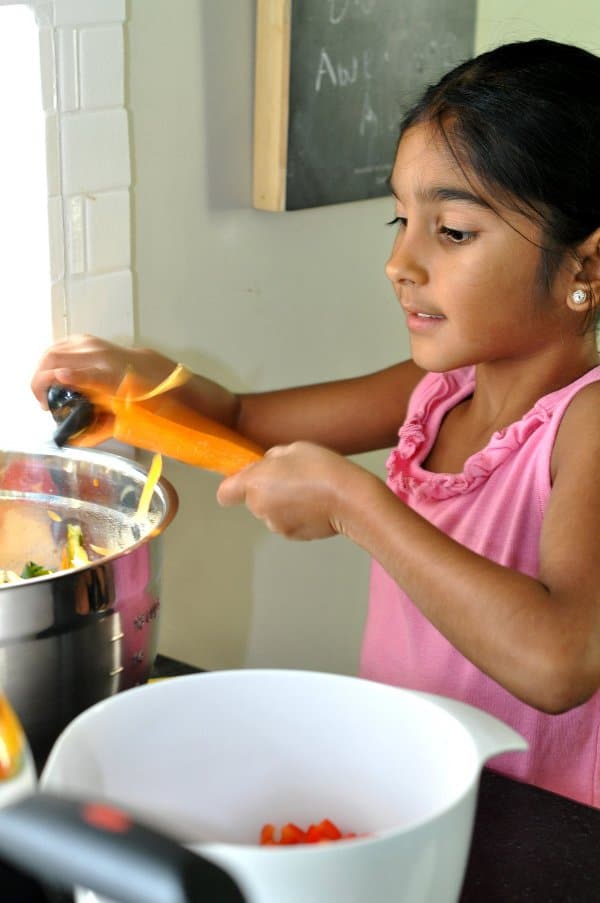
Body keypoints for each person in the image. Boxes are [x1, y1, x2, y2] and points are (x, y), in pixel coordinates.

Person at [31, 38, 600, 807]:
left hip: (541, 836)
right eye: (399, 218)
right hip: (409, 793)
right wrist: (140, 382)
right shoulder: (437, 391)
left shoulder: (586, 424)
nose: (401, 261)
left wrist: (356, 504)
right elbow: (240, 418)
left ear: (586, 268)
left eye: (453, 231)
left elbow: (562, 660)